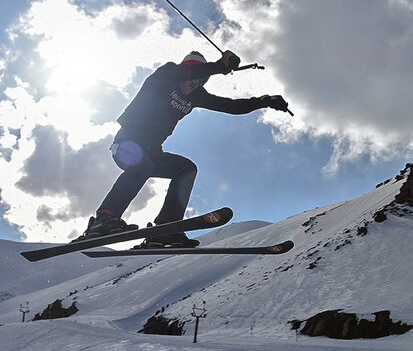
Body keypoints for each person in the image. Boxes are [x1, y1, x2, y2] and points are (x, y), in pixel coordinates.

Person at [79, 49, 291, 248]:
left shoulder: (196, 95)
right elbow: (188, 72)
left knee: (186, 168)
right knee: (141, 165)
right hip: (127, 144)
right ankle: (105, 218)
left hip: (152, 154)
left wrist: (264, 101)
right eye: (192, 76)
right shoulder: (165, 76)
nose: (193, 83)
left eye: (200, 81)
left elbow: (231, 106)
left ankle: (165, 228)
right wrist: (218, 66)